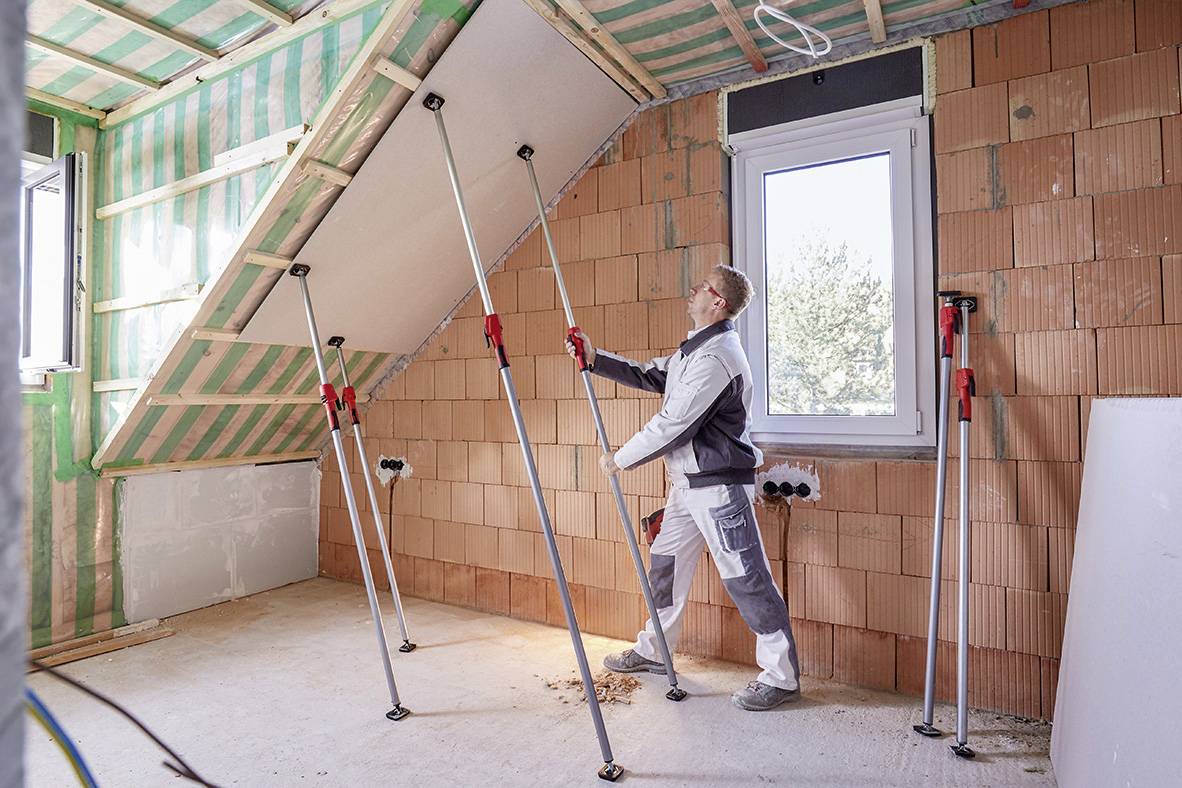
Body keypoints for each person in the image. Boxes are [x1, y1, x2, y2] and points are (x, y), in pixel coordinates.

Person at [565, 264, 802, 711]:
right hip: (686, 486)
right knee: (666, 565)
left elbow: (675, 425)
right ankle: (654, 650)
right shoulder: (695, 352)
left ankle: (782, 676)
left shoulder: (718, 358)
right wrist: (595, 359)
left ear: (719, 302)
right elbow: (653, 376)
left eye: (703, 286)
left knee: (746, 578)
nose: (693, 289)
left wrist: (620, 459)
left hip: (717, 490)